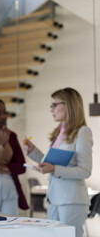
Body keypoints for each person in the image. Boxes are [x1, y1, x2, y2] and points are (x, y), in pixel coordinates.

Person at [23, 87, 92, 237]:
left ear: (69, 105)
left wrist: (54, 169)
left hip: (71, 200)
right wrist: (32, 150)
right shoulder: (60, 132)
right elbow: (50, 162)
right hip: (54, 198)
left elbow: (85, 170)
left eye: (55, 105)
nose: (51, 109)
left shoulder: (82, 132)